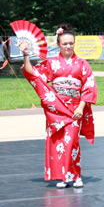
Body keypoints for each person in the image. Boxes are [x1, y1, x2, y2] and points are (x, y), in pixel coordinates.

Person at [19, 24, 98, 188]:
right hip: (56, 109)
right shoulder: (51, 63)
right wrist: (25, 53)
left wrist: (81, 108)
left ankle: (75, 175)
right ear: (58, 45)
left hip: (75, 109)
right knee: (57, 142)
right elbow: (32, 72)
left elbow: (88, 87)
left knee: (72, 142)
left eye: (71, 43)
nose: (68, 46)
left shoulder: (83, 64)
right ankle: (62, 177)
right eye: (65, 44)